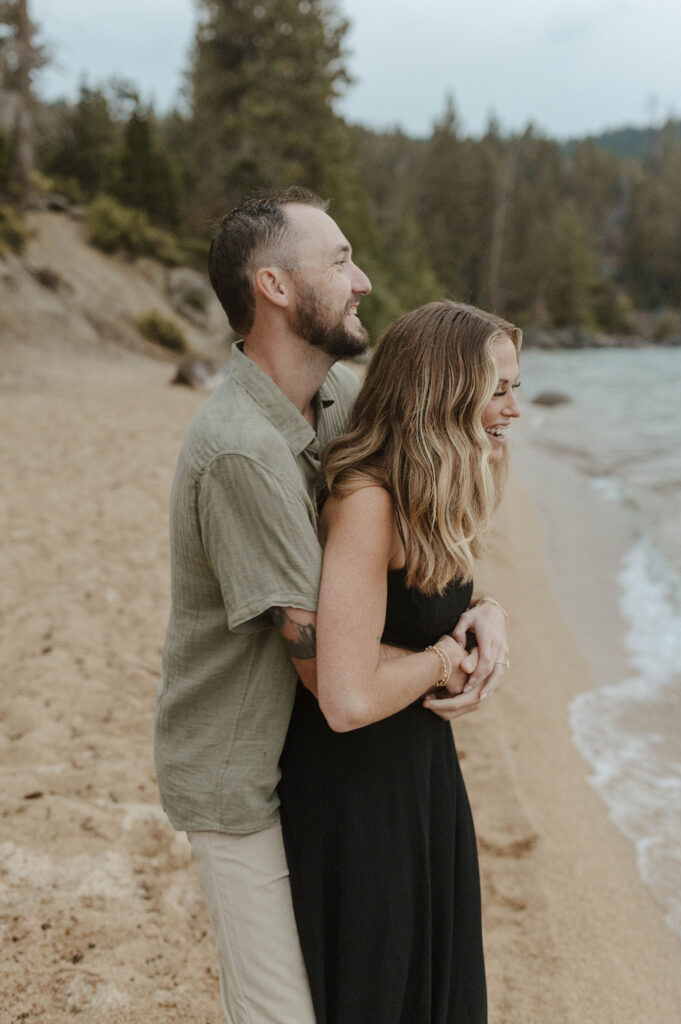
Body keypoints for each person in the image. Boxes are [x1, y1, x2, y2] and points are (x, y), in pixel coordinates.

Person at [153, 187, 509, 1024]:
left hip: (316, 770)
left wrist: (485, 604)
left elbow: (416, 553)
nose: (364, 282)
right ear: (274, 287)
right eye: (341, 260)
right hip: (243, 779)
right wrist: (443, 660)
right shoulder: (239, 450)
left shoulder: (340, 398)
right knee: (281, 1012)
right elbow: (333, 679)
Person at [278, 300, 522, 1024]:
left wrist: (490, 611)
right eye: (497, 390)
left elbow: (428, 602)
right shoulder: (367, 500)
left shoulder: (437, 484)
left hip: (421, 775)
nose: (512, 409)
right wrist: (449, 656)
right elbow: (346, 698)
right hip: (358, 794)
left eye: (516, 387)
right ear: (441, 393)